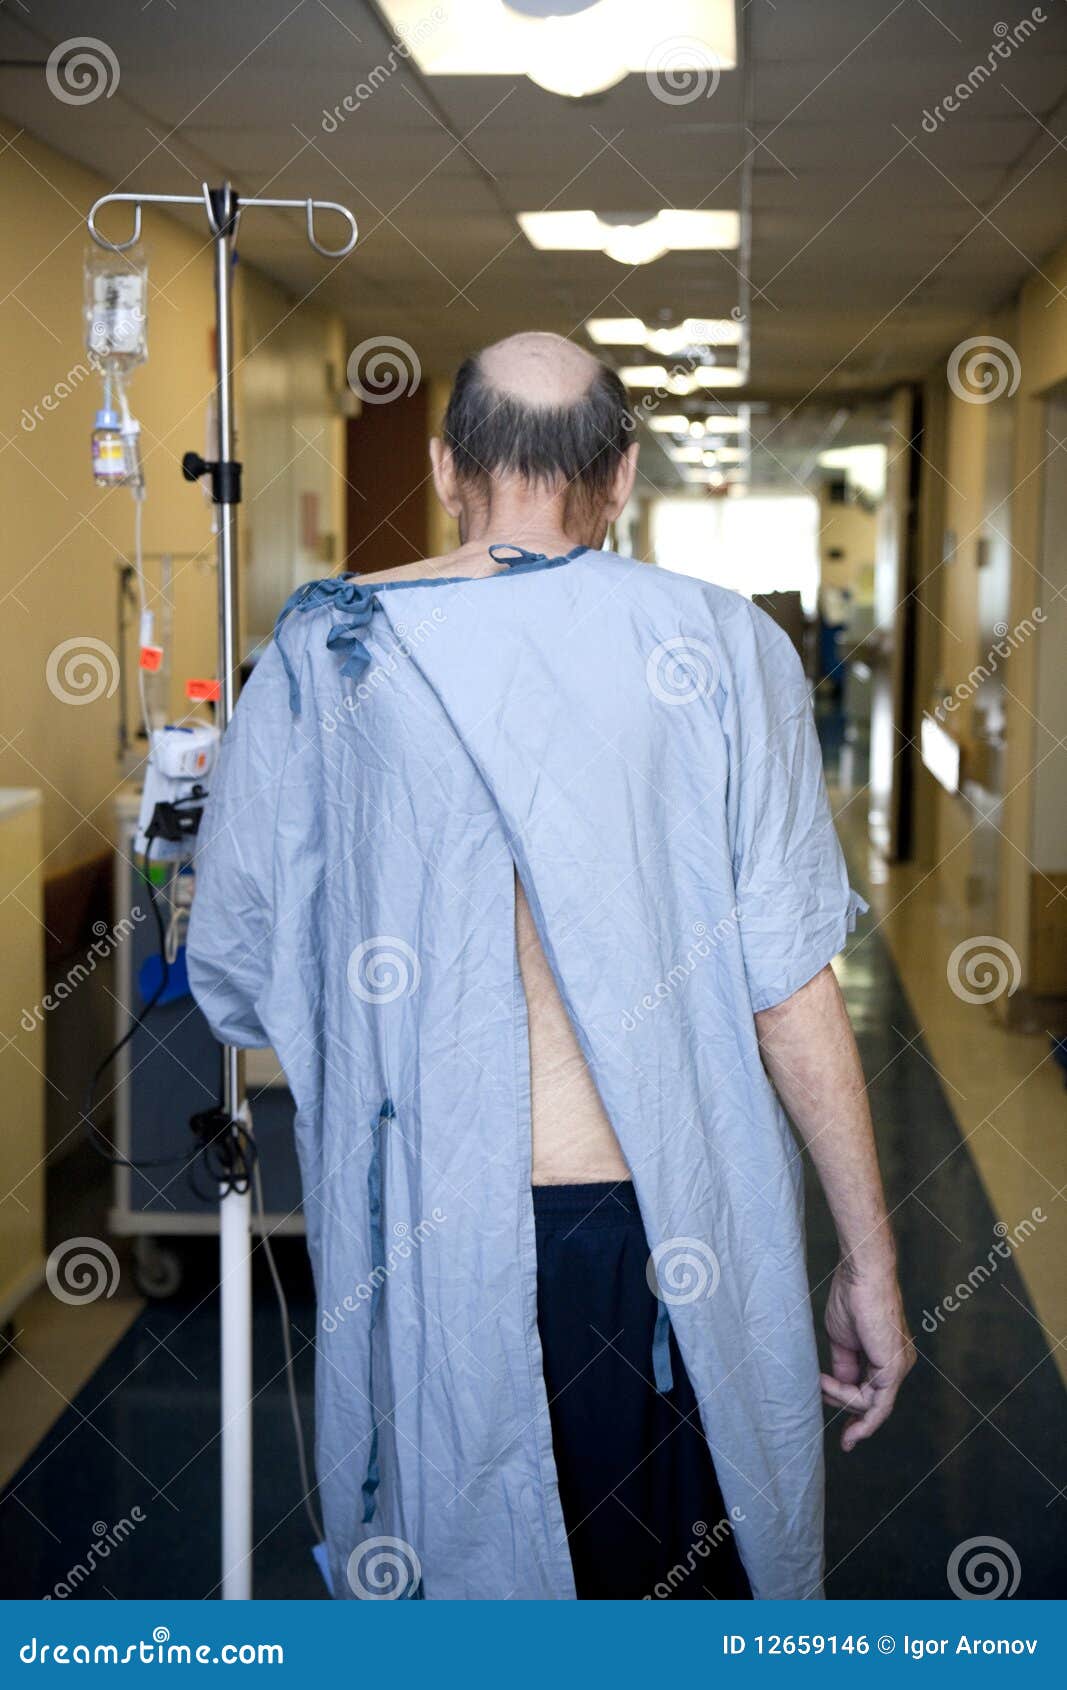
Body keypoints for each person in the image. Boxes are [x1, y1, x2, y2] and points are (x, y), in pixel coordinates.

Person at [188, 332, 914, 1602]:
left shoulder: (328, 653)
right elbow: (789, 986)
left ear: (444, 466)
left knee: (472, 1591)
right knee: (676, 1596)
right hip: (657, 1232)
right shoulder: (724, 649)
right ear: (622, 473)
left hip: (438, 1230)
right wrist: (868, 1260)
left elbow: (240, 968)